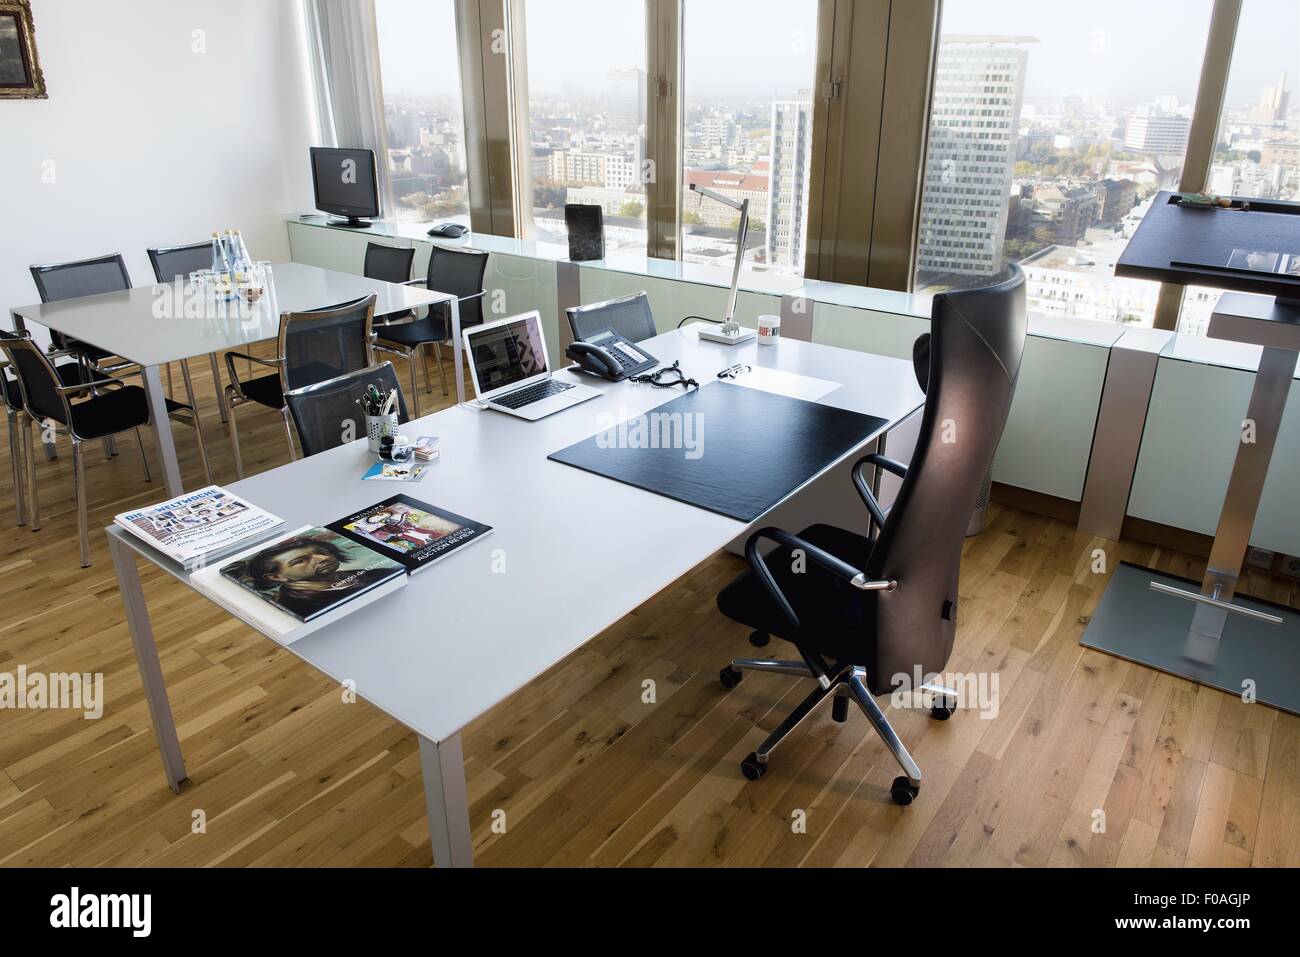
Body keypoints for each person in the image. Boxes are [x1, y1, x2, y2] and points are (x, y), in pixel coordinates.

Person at [241, 535, 394, 619]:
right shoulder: (299, 606)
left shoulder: (374, 573)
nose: (322, 558)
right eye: (301, 560)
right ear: (276, 577)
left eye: (322, 552)